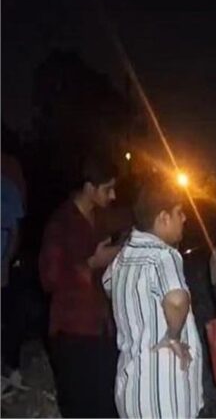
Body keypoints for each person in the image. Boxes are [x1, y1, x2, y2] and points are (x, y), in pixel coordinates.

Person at [103, 175, 203, 418]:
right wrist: (173, 336)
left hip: (131, 387)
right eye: (179, 212)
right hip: (163, 392)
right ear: (163, 217)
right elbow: (177, 299)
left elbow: (107, 285)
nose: (184, 218)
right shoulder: (162, 255)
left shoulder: (123, 257)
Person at [38, 154, 120, 417]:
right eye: (108, 189)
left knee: (108, 403)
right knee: (80, 407)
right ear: (89, 188)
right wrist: (91, 264)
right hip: (73, 333)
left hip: (102, 329)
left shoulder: (101, 220)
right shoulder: (60, 224)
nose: (113, 195)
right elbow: (49, 279)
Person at [1, 163, 26, 394]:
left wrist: (6, 262)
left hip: (4, 264)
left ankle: (11, 369)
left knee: (9, 317)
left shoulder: (7, 189)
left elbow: (14, 231)